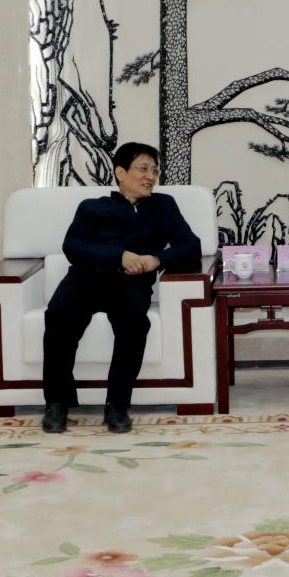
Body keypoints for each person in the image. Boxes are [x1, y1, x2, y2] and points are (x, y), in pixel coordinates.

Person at [41, 142, 200, 435]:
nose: (150, 176)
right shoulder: (92, 207)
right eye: (143, 169)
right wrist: (119, 256)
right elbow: (73, 246)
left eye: (154, 170)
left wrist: (157, 260)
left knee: (134, 323)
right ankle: (56, 402)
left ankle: (117, 404)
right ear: (120, 172)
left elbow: (192, 246)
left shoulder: (163, 206)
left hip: (131, 282)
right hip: (86, 278)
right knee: (59, 315)